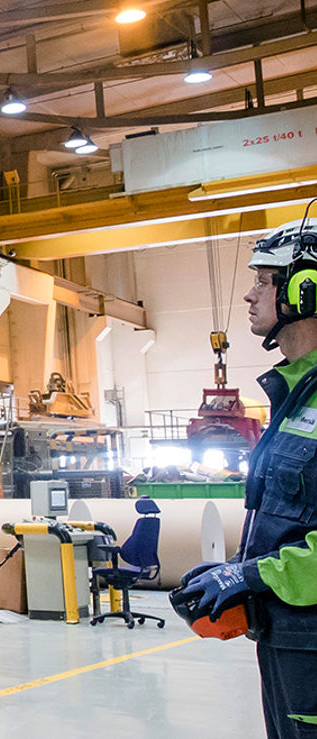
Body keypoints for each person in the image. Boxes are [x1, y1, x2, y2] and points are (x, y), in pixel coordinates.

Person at [178, 219, 317, 738]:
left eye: (263, 280)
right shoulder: (295, 393)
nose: (249, 294)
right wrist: (237, 572)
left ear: (305, 289)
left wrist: (254, 576)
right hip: (287, 635)